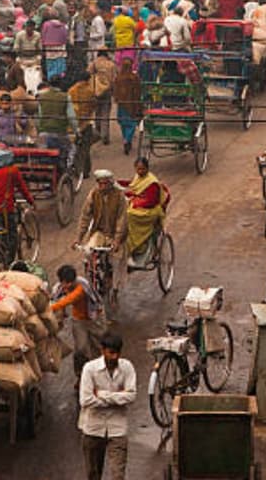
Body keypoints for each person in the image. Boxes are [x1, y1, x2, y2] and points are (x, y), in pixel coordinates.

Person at [78, 332, 136, 480]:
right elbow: (86, 400)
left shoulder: (127, 367)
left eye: (117, 353)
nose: (114, 357)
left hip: (117, 429)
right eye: (111, 353)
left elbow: (131, 396)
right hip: (93, 429)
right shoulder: (89, 369)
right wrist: (117, 396)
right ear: (102, 350)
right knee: (93, 474)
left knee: (118, 475)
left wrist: (102, 394)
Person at [75, 168, 130, 299]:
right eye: (100, 183)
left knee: (116, 261)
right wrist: (79, 238)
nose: (102, 186)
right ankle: (94, 278)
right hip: (99, 232)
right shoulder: (94, 194)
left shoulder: (119, 196)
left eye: (105, 184)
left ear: (111, 183)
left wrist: (117, 240)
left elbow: (122, 220)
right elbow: (85, 216)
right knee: (88, 252)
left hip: (115, 234)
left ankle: (115, 288)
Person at [50, 263, 106, 382]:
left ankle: (100, 374)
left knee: (98, 346)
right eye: (64, 282)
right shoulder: (60, 287)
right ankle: (81, 375)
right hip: (79, 320)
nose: (66, 285)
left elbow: (66, 301)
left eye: (68, 283)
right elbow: (55, 297)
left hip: (94, 318)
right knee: (80, 348)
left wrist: (49, 308)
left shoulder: (81, 287)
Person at [122, 158, 167, 264]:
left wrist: (135, 202)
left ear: (147, 169)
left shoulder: (152, 182)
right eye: (138, 169)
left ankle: (132, 248)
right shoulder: (138, 177)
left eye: (142, 169)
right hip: (138, 206)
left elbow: (151, 202)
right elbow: (132, 186)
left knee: (128, 215)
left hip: (150, 211)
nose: (140, 171)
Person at [0, 159, 35, 250]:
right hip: (5, 208)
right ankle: (10, 260)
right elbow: (22, 188)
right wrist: (31, 201)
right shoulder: (12, 170)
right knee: (12, 235)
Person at [113, 57, 142, 156]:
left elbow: (115, 92)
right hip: (132, 104)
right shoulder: (134, 78)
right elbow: (138, 92)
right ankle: (127, 140)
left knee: (123, 124)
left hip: (121, 105)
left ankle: (126, 139)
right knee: (132, 124)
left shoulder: (118, 78)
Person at [90, 51, 117, 145]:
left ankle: (97, 132)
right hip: (107, 91)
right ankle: (105, 136)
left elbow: (88, 74)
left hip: (96, 91)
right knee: (105, 114)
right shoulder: (111, 65)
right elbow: (114, 79)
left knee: (97, 112)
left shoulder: (94, 63)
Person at [41, 14, 69, 80]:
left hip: (50, 48)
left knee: (51, 64)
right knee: (60, 64)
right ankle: (61, 79)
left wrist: (43, 44)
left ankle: (51, 79)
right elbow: (65, 36)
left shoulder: (46, 24)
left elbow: (43, 35)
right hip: (61, 47)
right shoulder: (63, 25)